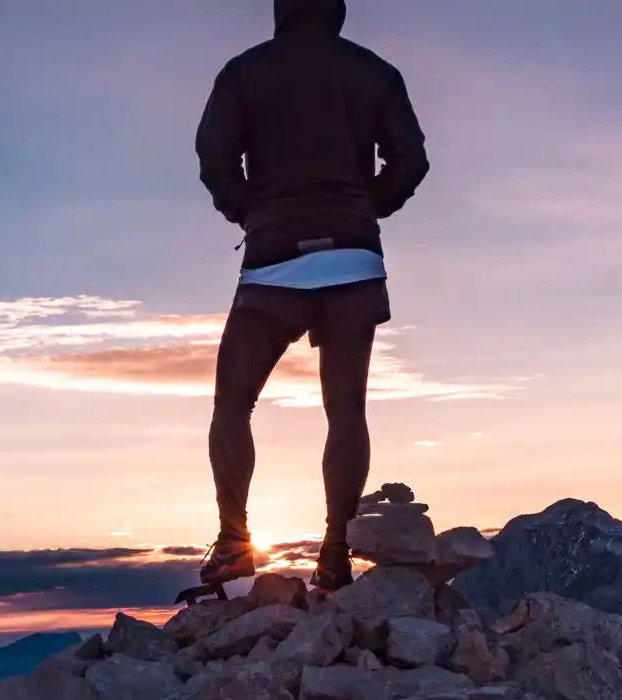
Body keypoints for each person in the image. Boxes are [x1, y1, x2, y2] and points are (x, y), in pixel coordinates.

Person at [193, 0, 428, 593]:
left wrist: (249, 210)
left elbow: (214, 158)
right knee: (346, 411)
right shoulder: (374, 72)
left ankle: (232, 542)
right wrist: (365, 206)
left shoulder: (244, 72)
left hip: (274, 254)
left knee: (233, 404)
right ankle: (335, 553)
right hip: (353, 255)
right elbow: (411, 160)